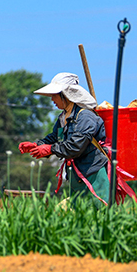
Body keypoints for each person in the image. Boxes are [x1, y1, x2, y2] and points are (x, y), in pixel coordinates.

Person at [19, 72, 110, 203]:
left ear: (66, 95)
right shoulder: (63, 117)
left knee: (100, 212)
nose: (52, 99)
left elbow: (75, 146)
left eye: (54, 95)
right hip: (76, 176)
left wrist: (50, 149)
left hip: (93, 174)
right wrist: (37, 145)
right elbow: (54, 138)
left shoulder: (85, 116)